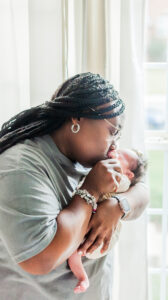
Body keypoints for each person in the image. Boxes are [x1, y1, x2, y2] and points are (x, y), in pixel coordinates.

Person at [0, 72, 149, 300]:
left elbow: (143, 191)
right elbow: (40, 259)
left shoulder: (88, 157)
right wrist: (91, 192)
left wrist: (117, 205)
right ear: (78, 118)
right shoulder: (22, 166)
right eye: (112, 131)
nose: (115, 144)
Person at [67, 147, 148, 294]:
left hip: (99, 237)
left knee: (78, 250)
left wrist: (116, 204)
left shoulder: (121, 180)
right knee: (75, 253)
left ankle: (82, 276)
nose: (114, 152)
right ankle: (82, 277)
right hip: (82, 228)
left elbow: (140, 191)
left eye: (120, 156)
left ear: (128, 174)